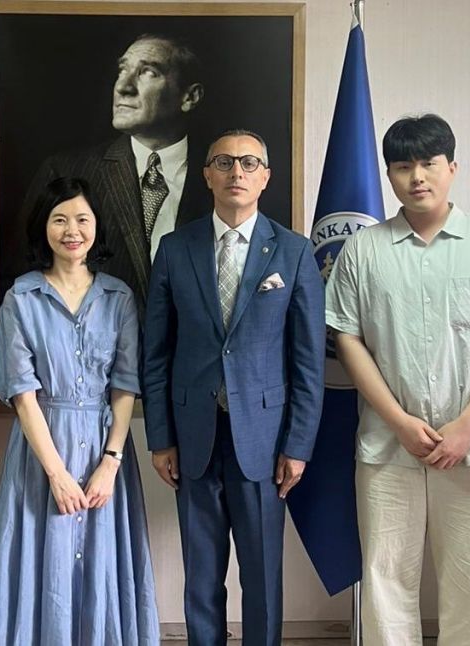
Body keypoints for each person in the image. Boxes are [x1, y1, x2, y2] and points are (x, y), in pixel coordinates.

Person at [324, 113, 470, 644]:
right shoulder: (363, 249)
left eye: (429, 163)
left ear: (452, 167)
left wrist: (469, 426)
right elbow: (348, 340)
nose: (417, 177)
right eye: (403, 166)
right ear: (389, 174)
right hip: (389, 445)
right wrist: (399, 422)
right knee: (385, 581)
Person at [143, 129, 325, 646]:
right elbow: (156, 353)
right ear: (207, 175)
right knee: (201, 575)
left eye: (249, 163)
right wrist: (160, 437)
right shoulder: (174, 249)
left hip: (265, 440)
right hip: (192, 435)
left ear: (266, 177)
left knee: (262, 575)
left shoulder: (293, 252)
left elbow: (307, 361)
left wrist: (298, 445)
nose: (236, 172)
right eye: (224, 162)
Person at [0, 177, 158, 645]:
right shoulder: (21, 297)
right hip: (41, 452)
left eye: (81, 219)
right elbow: (22, 393)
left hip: (104, 450)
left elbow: (125, 386)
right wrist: (56, 473)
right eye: (60, 219)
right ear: (44, 226)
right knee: (42, 563)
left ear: (96, 226)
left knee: (102, 562)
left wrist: (110, 463)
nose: (71, 230)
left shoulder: (118, 297)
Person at [1, 33, 209, 309]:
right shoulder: (65, 171)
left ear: (190, 96)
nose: (123, 87)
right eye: (122, 70)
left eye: (148, 72)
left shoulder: (223, 178)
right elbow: (23, 280)